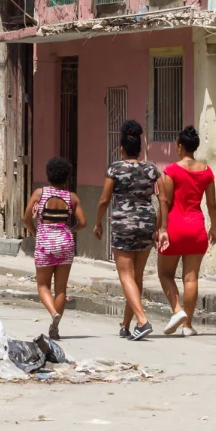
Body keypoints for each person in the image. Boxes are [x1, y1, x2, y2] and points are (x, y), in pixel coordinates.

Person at [94, 119, 161, 341]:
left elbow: (104, 200)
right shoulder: (151, 169)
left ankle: (142, 321)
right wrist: (160, 227)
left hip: (123, 225)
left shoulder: (115, 168)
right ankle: (125, 324)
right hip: (146, 223)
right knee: (136, 277)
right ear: (139, 147)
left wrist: (98, 222)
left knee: (125, 276)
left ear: (122, 148)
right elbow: (163, 198)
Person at [157, 125, 216, 336]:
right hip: (197, 229)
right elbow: (212, 204)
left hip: (174, 228)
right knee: (191, 279)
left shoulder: (171, 170)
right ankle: (187, 326)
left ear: (180, 146)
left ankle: (177, 311)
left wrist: (161, 228)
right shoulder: (207, 171)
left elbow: (165, 202)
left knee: (165, 274)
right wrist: (214, 227)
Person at [23, 157, 86, 340]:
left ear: (48, 174)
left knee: (43, 285)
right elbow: (83, 222)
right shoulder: (72, 197)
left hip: (45, 243)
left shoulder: (39, 194)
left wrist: (35, 233)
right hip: (65, 243)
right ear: (66, 177)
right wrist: (69, 230)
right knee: (61, 289)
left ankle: (53, 313)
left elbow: (26, 218)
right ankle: (54, 329)